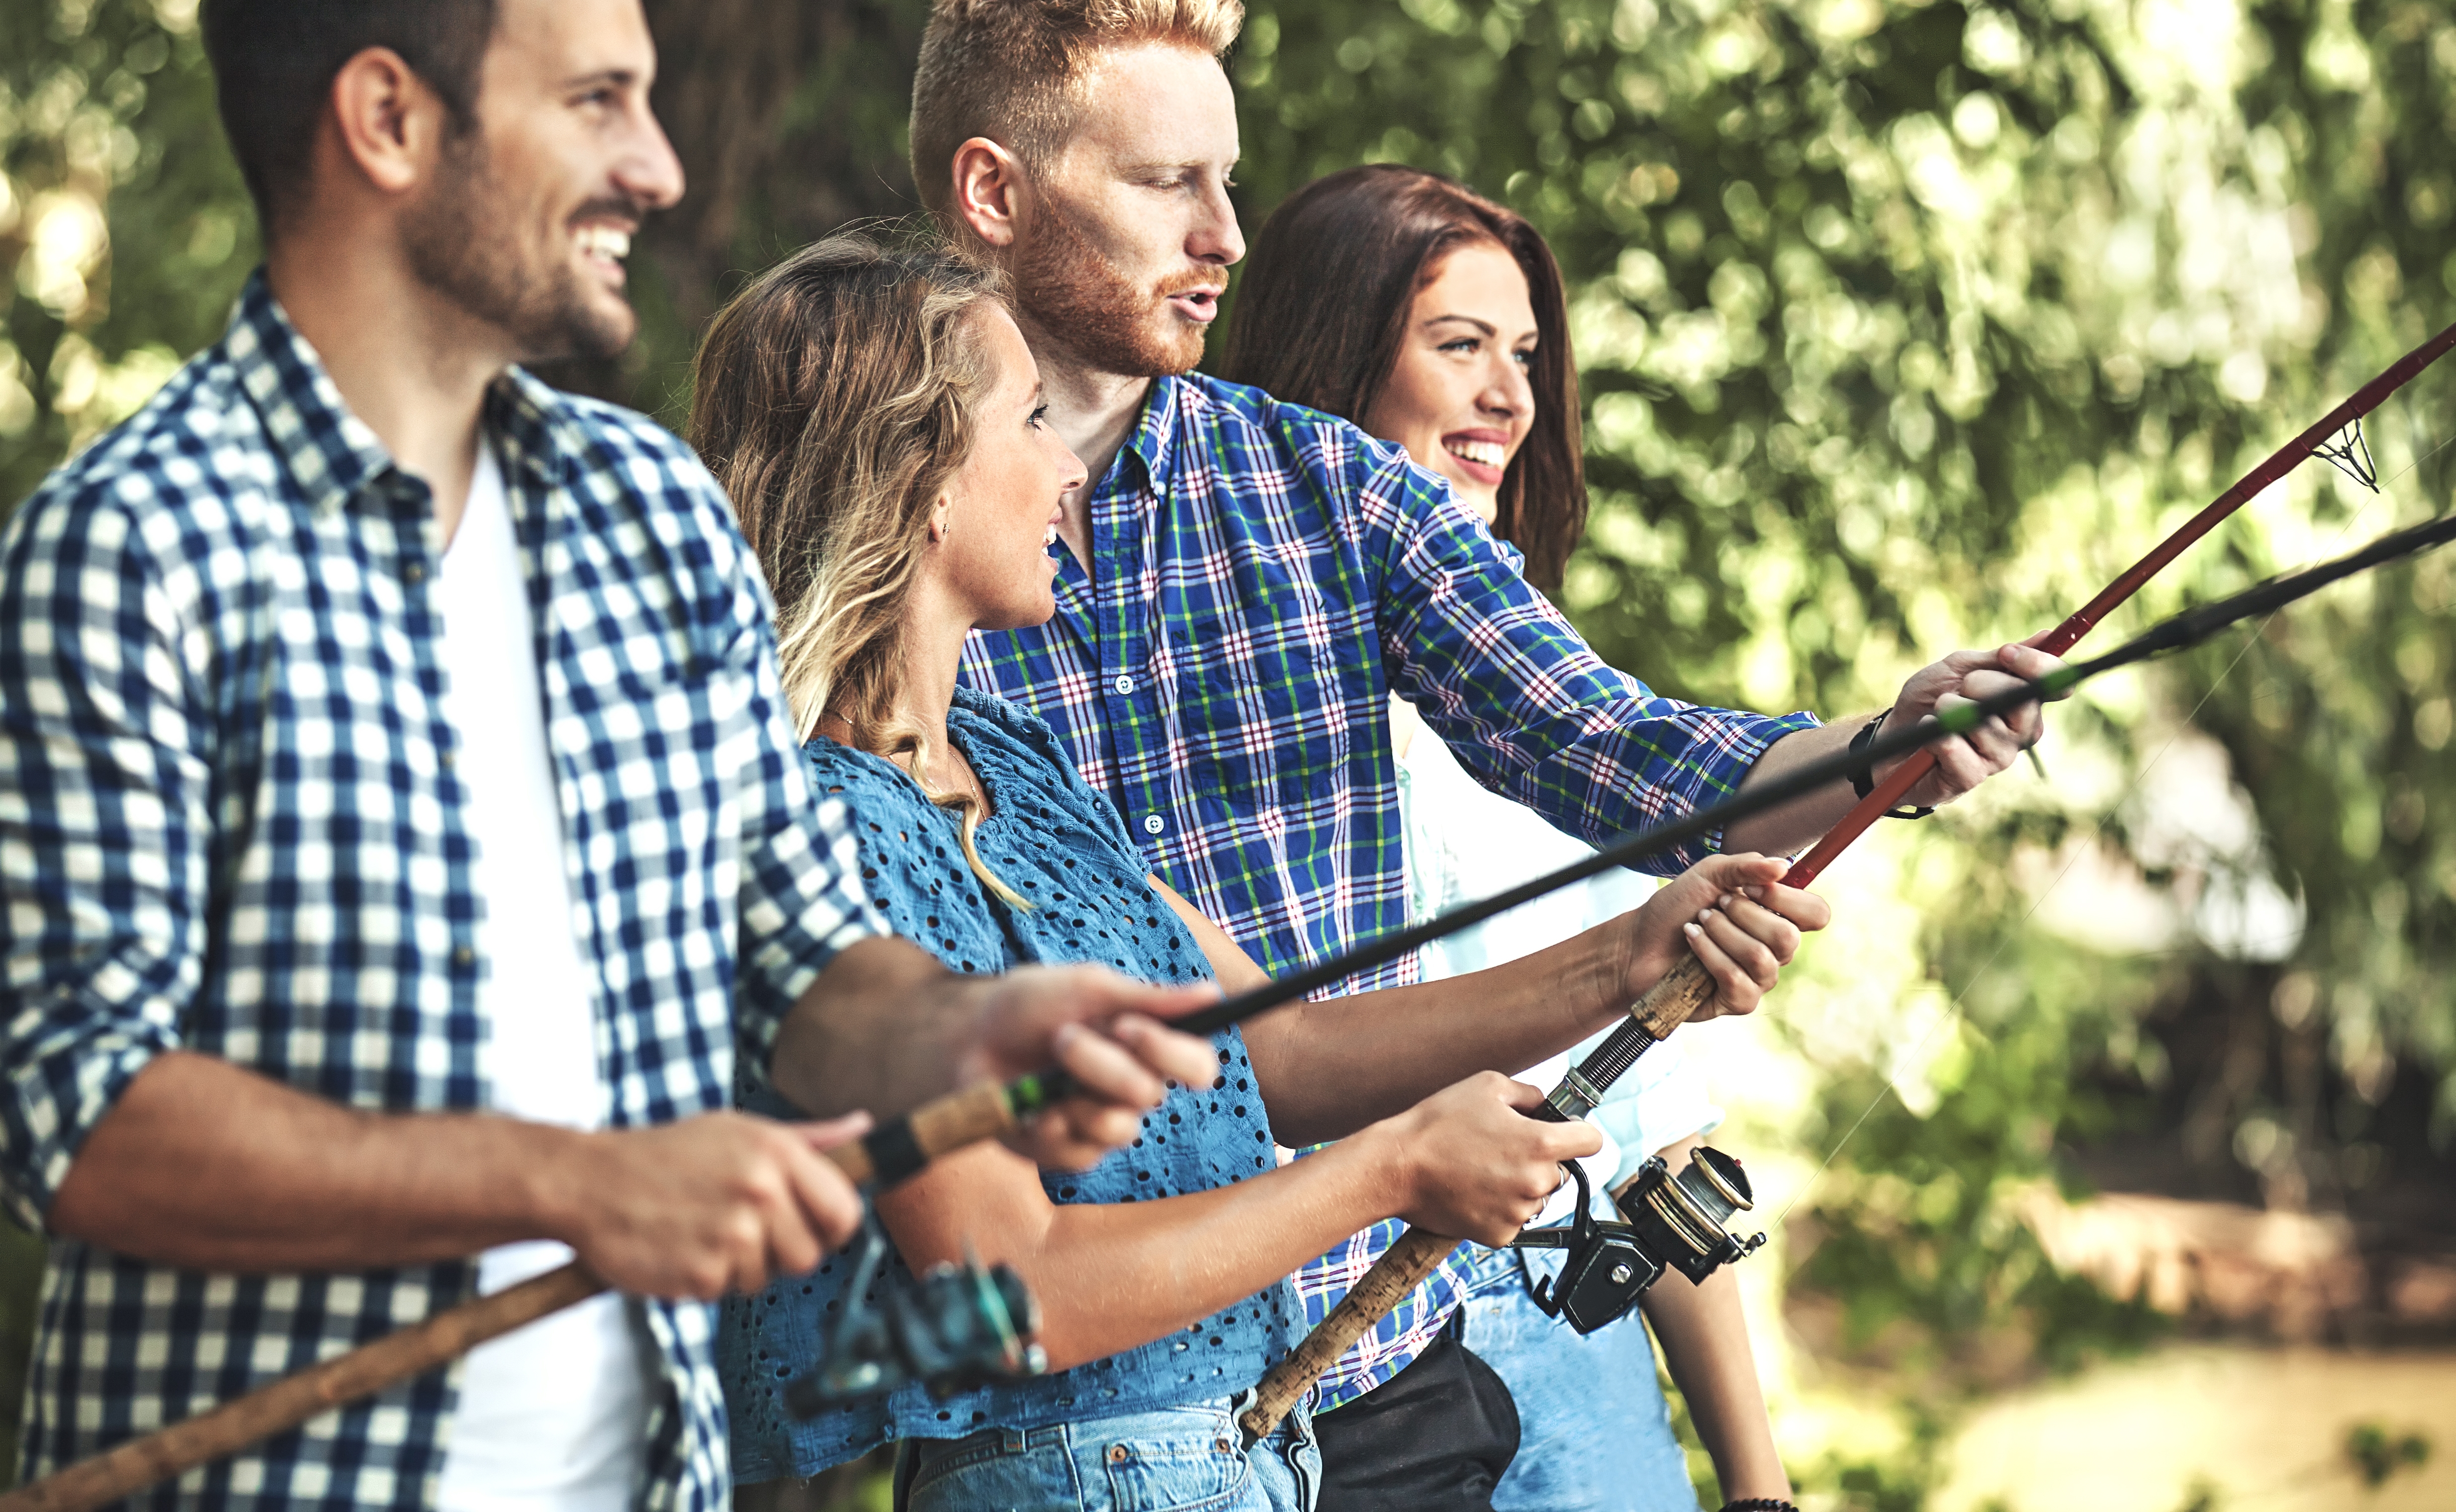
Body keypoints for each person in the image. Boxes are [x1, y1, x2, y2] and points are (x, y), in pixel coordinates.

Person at [0, 0, 1218, 1512]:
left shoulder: (641, 517)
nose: (658, 167)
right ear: (387, 120)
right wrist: (574, 1183)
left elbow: (803, 961)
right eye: (593, 101)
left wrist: (964, 1030)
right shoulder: (131, 556)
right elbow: (78, 1118)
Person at [913, 0, 2065, 1505]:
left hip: (1384, 1388)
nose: (1225, 237)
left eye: (1231, 182)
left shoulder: (1329, 486)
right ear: (995, 193)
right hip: (1065, 1426)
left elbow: (1620, 753)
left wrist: (1892, 745)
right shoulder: (864, 547)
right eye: (1167, 183)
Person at [691, 235, 1829, 1511]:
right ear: (922, 482)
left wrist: (1623, 961)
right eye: (1027, 421)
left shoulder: (1007, 765)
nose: (1069, 468)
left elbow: (1279, 1050)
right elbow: (1010, 1287)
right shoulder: (827, 826)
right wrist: (1391, 1171)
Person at [1221, 163, 1793, 1511]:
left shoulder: (1543, 706)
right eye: (1459, 344)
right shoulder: (1232, 710)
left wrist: (1759, 1488)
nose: (1511, 397)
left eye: (1525, 353)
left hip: (1572, 1341)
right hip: (1338, 1359)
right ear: (1337, 356)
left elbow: (1648, 1130)